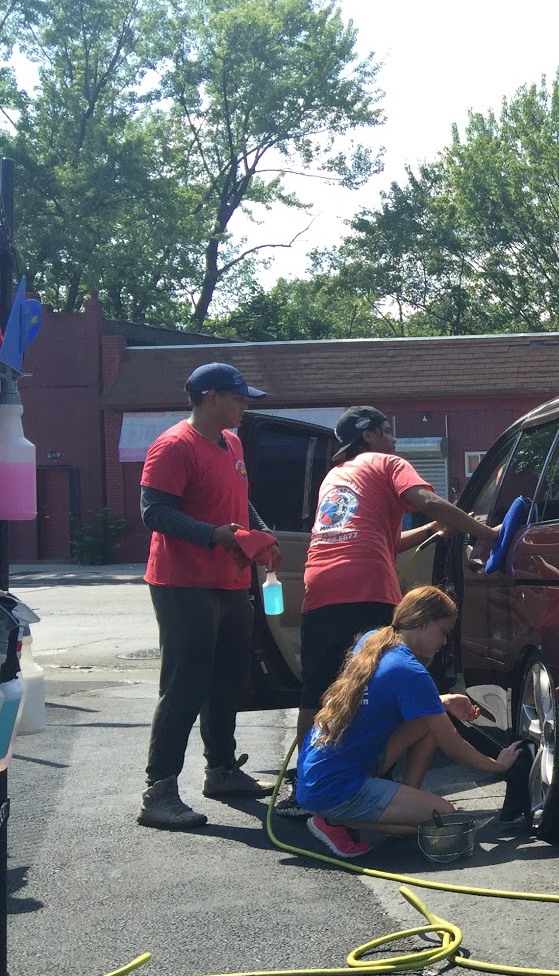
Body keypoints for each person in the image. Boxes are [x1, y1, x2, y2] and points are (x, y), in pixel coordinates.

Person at [276, 405, 496, 819]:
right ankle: (374, 788)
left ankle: (304, 790)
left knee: (320, 690)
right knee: (377, 685)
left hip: (319, 586)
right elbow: (428, 500)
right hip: (366, 588)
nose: (394, 439)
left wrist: (432, 530)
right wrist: (487, 532)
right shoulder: (387, 462)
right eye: (388, 431)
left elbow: (386, 542)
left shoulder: (336, 477)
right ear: (372, 434)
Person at [137, 363, 282, 830]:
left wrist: (259, 532)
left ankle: (220, 770)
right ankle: (158, 791)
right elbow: (153, 512)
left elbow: (240, 500)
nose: (244, 406)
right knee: (186, 683)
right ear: (211, 397)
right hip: (183, 583)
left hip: (229, 581)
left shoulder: (232, 442)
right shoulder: (174, 445)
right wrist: (216, 535)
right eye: (239, 398)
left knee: (229, 677)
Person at [295, 586, 520, 858]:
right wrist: (498, 765)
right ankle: (334, 821)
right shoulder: (410, 672)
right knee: (444, 817)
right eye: (443, 632)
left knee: (429, 720)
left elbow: (385, 695)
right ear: (423, 624)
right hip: (336, 788)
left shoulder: (372, 640)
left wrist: (444, 700)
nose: (445, 642)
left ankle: (402, 803)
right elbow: (454, 747)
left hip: (318, 774)